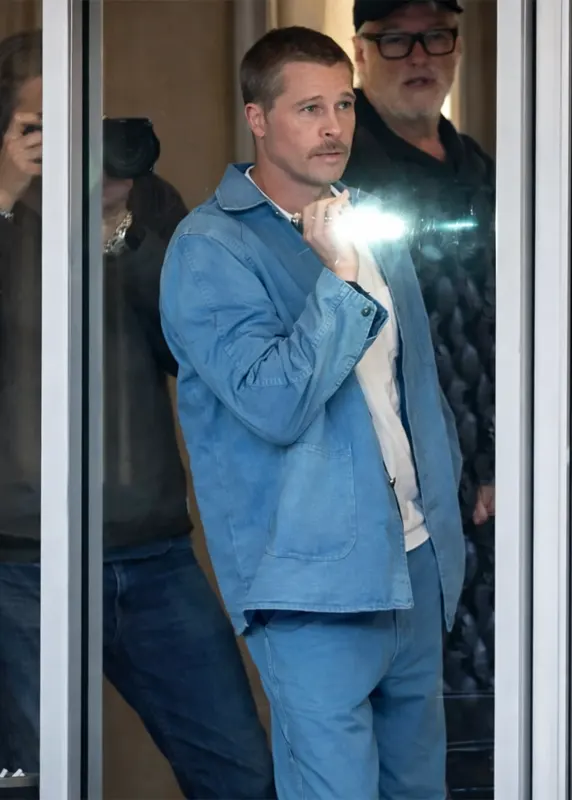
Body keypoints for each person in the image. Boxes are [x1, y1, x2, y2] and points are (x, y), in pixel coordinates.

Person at [160, 25, 465, 799]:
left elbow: (414, 387)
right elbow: (277, 404)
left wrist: (445, 515)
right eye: (308, 109)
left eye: (342, 106)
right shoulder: (210, 248)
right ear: (258, 119)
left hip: (413, 560)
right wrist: (337, 279)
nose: (333, 127)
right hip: (309, 590)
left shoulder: (369, 221)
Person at [0, 30, 275, 800]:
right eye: (40, 125)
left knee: (241, 775)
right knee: (36, 785)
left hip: (150, 551)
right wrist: (5, 197)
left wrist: (120, 230)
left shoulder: (143, 201)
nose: (64, 140)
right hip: (20, 562)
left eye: (77, 115)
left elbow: (189, 348)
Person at [343, 1, 496, 787]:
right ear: (361, 53)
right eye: (395, 39)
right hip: (407, 502)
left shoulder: (482, 167)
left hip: (500, 488)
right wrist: (460, 471)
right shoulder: (346, 177)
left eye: (435, 36)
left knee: (499, 715)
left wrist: (506, 459)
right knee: (422, 729)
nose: (419, 56)